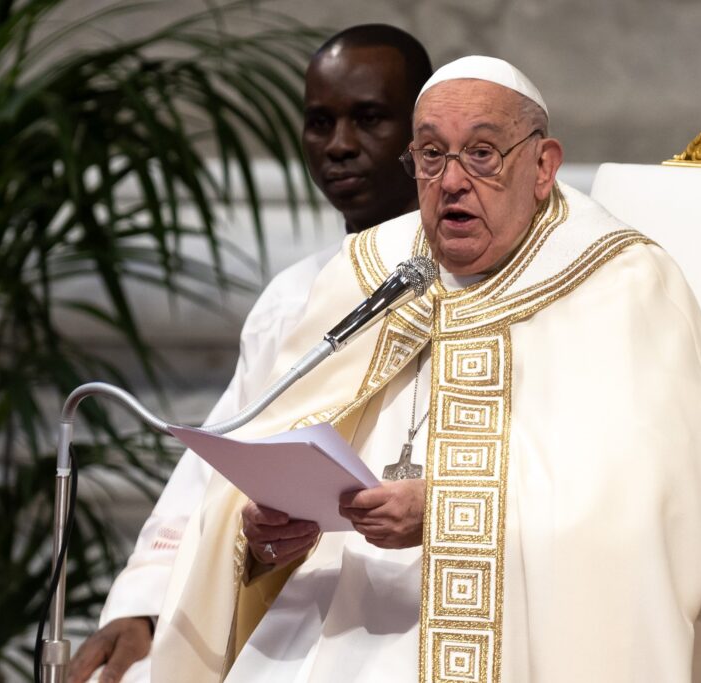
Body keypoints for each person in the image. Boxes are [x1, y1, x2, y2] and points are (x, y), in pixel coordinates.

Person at [148, 55, 701, 682]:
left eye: (483, 154)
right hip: (332, 612)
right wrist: (268, 540)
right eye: (432, 156)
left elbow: (660, 486)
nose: (452, 181)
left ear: (543, 165)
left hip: (522, 620)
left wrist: (445, 513)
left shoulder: (620, 281)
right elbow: (259, 472)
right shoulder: (372, 270)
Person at [67, 25, 433, 683]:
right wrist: (146, 606)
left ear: (422, 135)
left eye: (369, 118)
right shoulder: (292, 296)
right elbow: (216, 465)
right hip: (288, 588)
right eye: (319, 122)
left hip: (414, 600)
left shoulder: (472, 288)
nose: (339, 145)